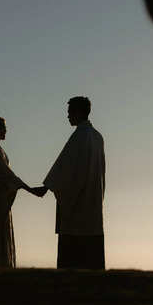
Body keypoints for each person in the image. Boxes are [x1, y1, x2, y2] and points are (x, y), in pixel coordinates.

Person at [33, 96, 106, 269]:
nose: (67, 116)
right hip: (93, 200)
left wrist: (47, 186)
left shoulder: (80, 136)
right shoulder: (97, 137)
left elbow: (65, 166)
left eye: (69, 112)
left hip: (78, 204)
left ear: (78, 112)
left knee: (73, 258)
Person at [0, 115, 40, 269]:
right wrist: (28, 188)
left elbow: (5, 175)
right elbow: (6, 174)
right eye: (2, 127)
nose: (6, 130)